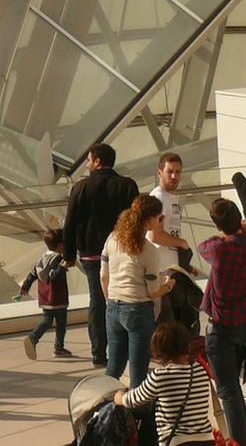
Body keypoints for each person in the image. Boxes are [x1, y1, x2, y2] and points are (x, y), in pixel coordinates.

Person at [63, 142, 141, 370]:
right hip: (121, 251)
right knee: (124, 297)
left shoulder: (81, 188)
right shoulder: (127, 186)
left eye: (88, 160)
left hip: (91, 253)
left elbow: (70, 223)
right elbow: (136, 221)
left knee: (97, 301)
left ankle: (99, 352)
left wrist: (68, 254)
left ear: (97, 162)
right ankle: (125, 349)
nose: (87, 164)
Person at [198, 198, 246, 446]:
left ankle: (239, 443)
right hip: (243, 324)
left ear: (218, 225)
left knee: (228, 393)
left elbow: (202, 247)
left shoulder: (219, 249)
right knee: (233, 390)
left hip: (220, 328)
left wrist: (228, 234)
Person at [103, 195, 175, 386]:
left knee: (114, 367)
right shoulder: (148, 250)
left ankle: (103, 406)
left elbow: (104, 276)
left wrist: (109, 301)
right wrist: (168, 285)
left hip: (113, 306)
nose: (159, 222)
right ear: (150, 219)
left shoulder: (112, 239)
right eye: (159, 218)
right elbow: (152, 292)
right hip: (137, 310)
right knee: (138, 371)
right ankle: (136, 413)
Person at [112, 321, 215, 446]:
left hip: (177, 442)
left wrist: (119, 397)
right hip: (206, 440)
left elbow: (132, 400)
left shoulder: (160, 376)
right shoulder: (200, 369)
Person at [19, 228, 73, 360]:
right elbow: (54, 276)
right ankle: (49, 344)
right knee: (61, 323)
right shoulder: (58, 258)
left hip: (45, 296)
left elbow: (33, 272)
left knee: (47, 320)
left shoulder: (44, 257)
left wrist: (26, 286)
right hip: (57, 296)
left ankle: (39, 340)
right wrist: (64, 266)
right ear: (60, 245)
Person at [149, 152, 192, 267]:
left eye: (178, 172)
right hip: (160, 267)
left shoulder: (171, 197)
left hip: (170, 265)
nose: (174, 176)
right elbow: (155, 235)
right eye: (170, 171)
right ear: (159, 173)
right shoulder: (158, 197)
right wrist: (182, 243)